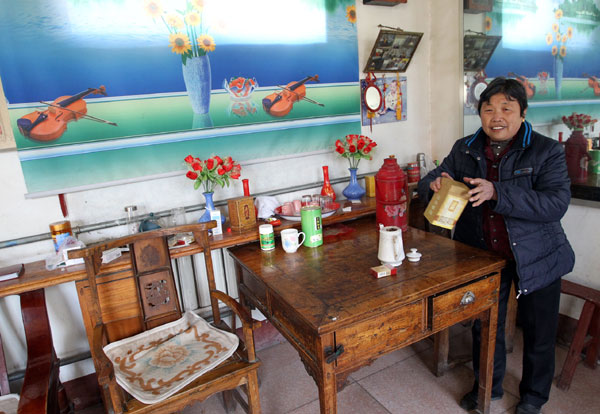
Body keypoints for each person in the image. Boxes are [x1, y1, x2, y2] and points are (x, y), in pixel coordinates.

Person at [418, 77, 575, 414]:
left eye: (506, 108)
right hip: (483, 256)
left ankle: (533, 398)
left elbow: (555, 204)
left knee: (539, 333)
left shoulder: (547, 150)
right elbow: (430, 179)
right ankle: (488, 387)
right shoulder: (465, 148)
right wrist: (433, 184)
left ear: (523, 113)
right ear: (480, 114)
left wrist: (497, 192)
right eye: (489, 109)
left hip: (538, 255)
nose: (497, 116)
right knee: (484, 326)